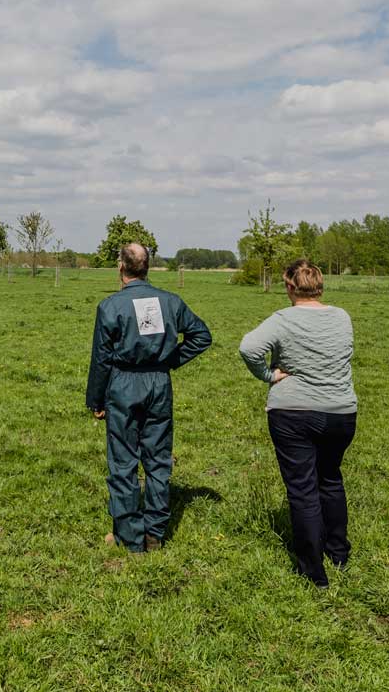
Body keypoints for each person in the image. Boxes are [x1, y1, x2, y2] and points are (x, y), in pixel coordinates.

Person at [86, 243, 213, 553]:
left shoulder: (110, 306)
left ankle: (129, 535)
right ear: (147, 268)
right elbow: (202, 336)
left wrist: (96, 400)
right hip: (158, 385)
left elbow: (101, 359)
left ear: (121, 268)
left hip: (123, 384)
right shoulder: (170, 301)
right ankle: (154, 532)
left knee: (123, 460)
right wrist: (168, 361)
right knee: (157, 459)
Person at [238, 259, 357, 588]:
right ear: (320, 285)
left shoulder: (282, 320)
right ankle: (339, 554)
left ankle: (312, 571)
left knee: (302, 491)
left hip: (293, 413)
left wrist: (268, 374)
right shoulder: (342, 317)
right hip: (341, 412)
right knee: (330, 480)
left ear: (290, 286)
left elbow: (248, 347)